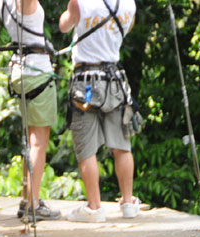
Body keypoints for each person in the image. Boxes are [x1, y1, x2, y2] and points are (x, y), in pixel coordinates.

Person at [59, 0, 141, 223]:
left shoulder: (80, 2)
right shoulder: (128, 4)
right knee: (121, 146)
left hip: (85, 82)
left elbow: (64, 26)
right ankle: (128, 202)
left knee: (86, 148)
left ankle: (95, 207)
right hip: (114, 81)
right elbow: (125, 29)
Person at [1, 0, 62, 222]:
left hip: (20, 70)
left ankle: (27, 199)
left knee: (31, 141)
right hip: (36, 72)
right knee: (38, 143)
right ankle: (33, 204)